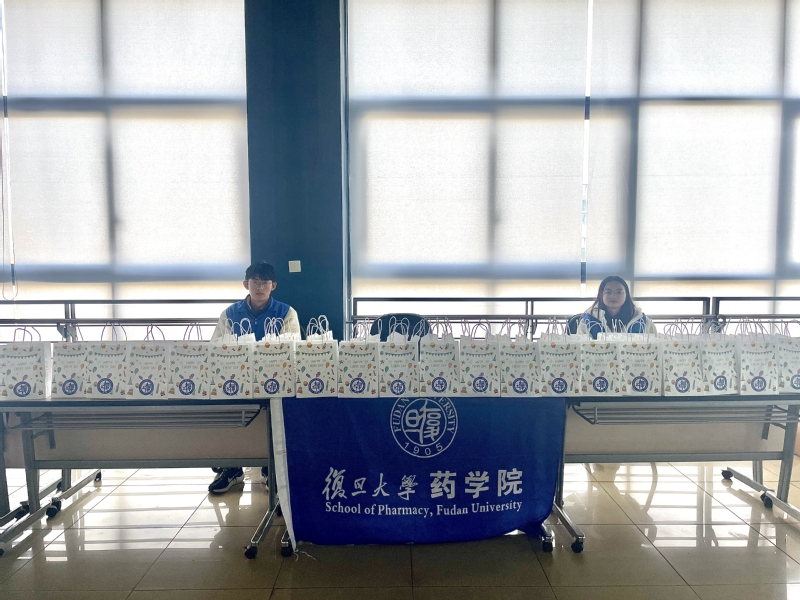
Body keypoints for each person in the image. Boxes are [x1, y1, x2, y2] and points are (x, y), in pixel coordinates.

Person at [208, 261, 300, 494]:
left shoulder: (286, 313)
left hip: (274, 379)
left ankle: (270, 468)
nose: (260, 287)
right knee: (228, 414)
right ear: (245, 284)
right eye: (255, 282)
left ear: (273, 285)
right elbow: (216, 348)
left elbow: (293, 350)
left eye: (265, 282)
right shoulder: (230, 314)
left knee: (278, 413)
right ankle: (232, 468)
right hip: (236, 380)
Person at [577, 276, 656, 339]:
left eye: (619, 292)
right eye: (608, 292)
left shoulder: (642, 321)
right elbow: (581, 349)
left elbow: (654, 346)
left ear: (626, 295)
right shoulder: (588, 321)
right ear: (601, 295)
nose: (613, 296)